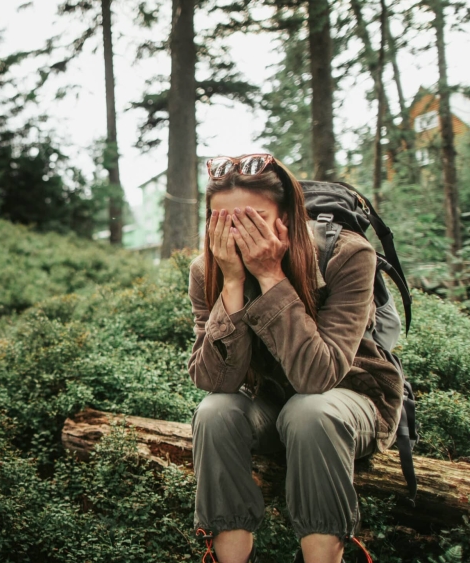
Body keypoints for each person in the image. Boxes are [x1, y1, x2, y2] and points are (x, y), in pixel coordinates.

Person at [186, 154, 404, 563]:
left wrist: (270, 276)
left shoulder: (347, 255)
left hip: (352, 400)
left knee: (311, 411)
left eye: (252, 219)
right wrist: (232, 284)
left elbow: (316, 378)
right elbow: (217, 381)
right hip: (275, 405)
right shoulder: (207, 270)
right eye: (223, 222)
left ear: (288, 215)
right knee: (215, 410)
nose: (237, 234)